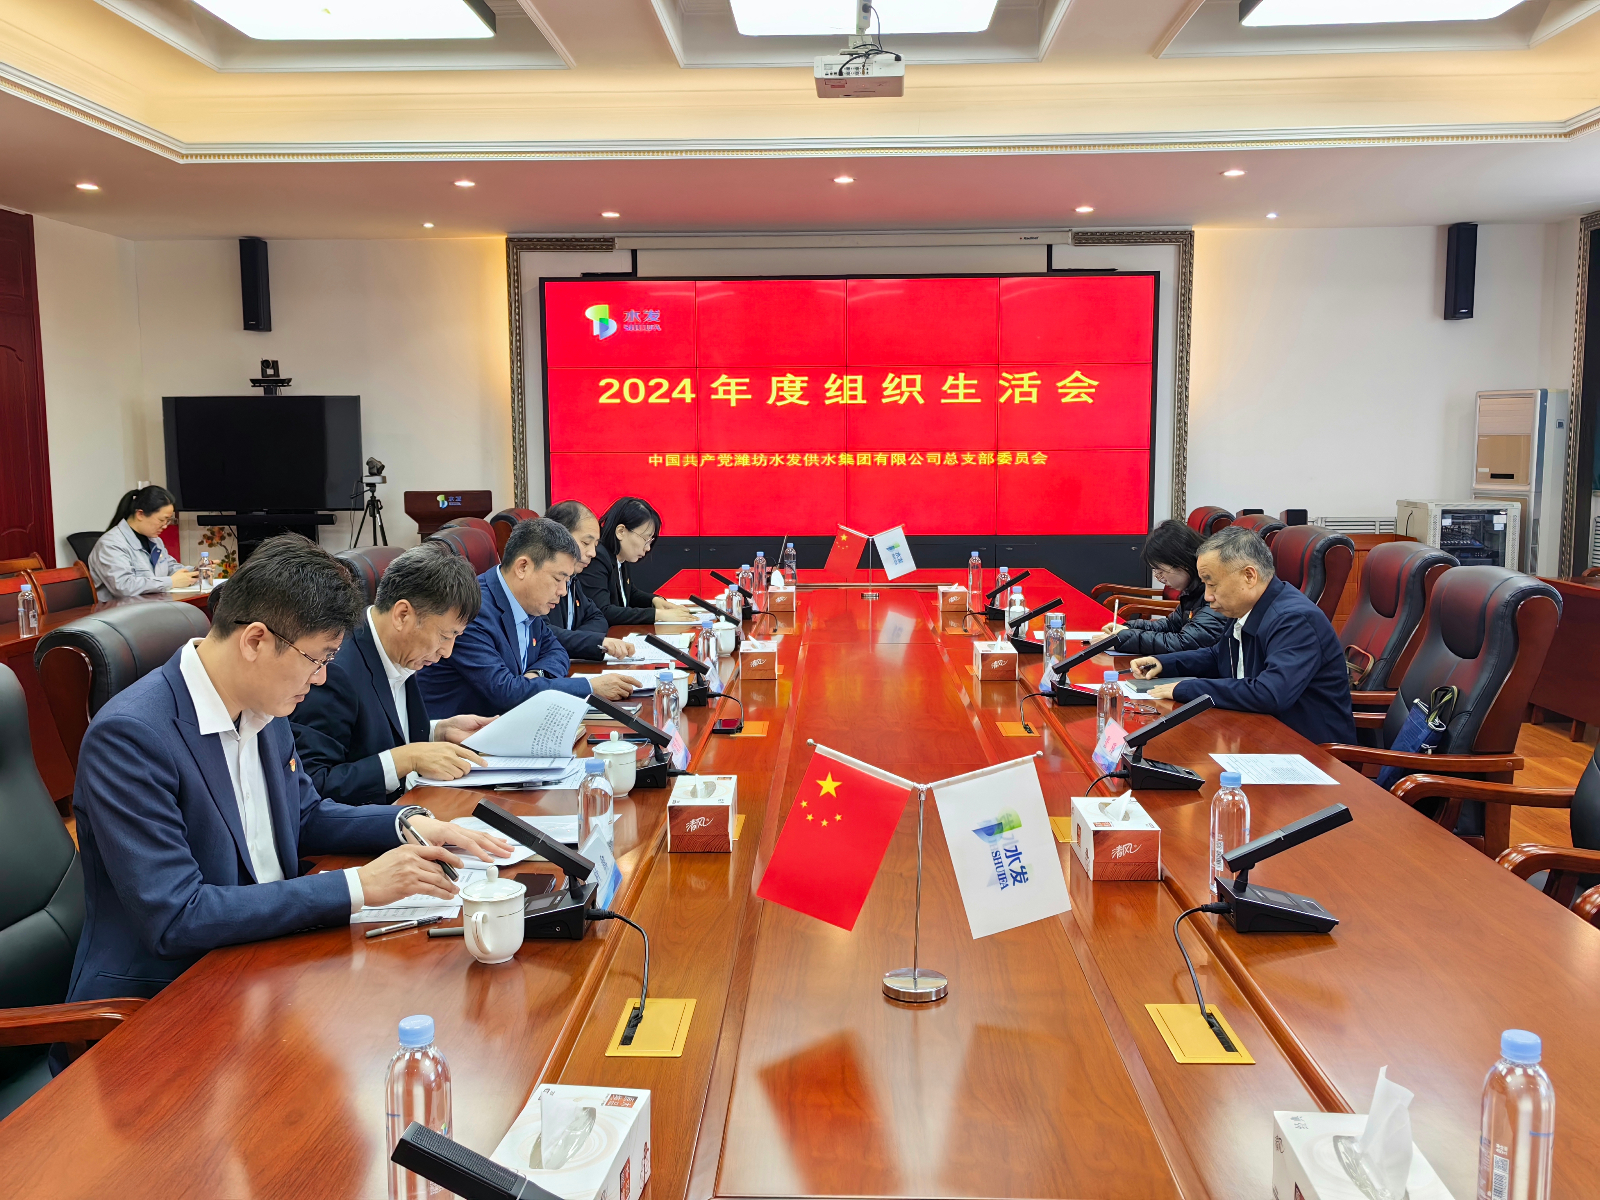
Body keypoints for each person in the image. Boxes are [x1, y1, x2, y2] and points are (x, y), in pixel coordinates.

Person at [64, 534, 514, 1013]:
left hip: (272, 960)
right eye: (317, 659)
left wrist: (408, 824)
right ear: (256, 640)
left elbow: (305, 815)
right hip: (171, 999)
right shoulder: (131, 738)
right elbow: (178, 916)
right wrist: (358, 885)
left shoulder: (265, 706)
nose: (321, 678)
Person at [291, 543, 495, 805]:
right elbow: (315, 784)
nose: (447, 652)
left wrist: (437, 731)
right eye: (445, 636)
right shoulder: (335, 671)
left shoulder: (399, 648)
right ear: (402, 615)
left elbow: (373, 735)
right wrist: (406, 759)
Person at [1129, 525, 1355, 745]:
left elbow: (1270, 693)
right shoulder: (1247, 606)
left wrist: (1187, 688)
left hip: (1308, 750)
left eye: (1212, 584)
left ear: (1249, 576)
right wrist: (1164, 663)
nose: (1207, 596)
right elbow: (1219, 655)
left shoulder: (1295, 619)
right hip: (1257, 731)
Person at [417, 517, 641, 717]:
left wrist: (537, 674)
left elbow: (557, 651)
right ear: (523, 567)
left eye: (567, 581)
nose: (563, 591)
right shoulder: (473, 610)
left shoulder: (525, 601)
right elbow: (506, 693)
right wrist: (589, 687)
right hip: (462, 738)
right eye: (558, 579)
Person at [1100, 519, 1228, 655]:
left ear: (1181, 563)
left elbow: (1185, 643)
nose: (1159, 578)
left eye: (1160, 571)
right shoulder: (1193, 590)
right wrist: (1128, 628)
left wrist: (1123, 639)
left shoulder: (1215, 593)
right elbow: (1172, 625)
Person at [544, 500, 639, 663]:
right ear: (557, 537)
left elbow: (597, 617)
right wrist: (590, 641)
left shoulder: (572, 580)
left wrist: (577, 639)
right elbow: (543, 633)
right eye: (586, 543)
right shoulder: (540, 582)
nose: (592, 553)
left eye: (595, 545)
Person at [579, 497, 693, 626]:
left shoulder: (621, 557)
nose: (648, 548)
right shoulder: (597, 558)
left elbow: (629, 594)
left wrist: (654, 601)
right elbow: (603, 611)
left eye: (650, 541)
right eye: (645, 539)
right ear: (621, 531)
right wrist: (657, 615)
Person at [87, 484, 196, 602]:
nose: (165, 526)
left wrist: (198, 571)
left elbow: (170, 567)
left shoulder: (155, 540)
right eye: (161, 520)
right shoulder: (111, 544)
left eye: (168, 520)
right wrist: (171, 582)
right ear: (140, 514)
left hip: (153, 605)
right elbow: (124, 586)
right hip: (122, 610)